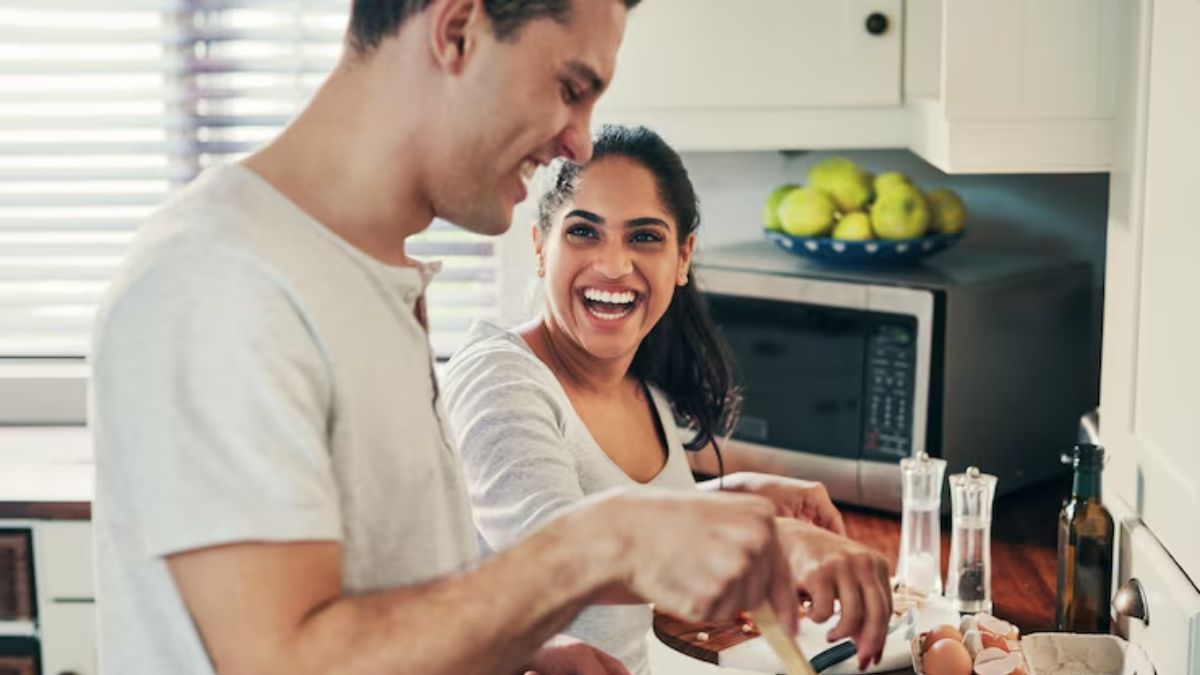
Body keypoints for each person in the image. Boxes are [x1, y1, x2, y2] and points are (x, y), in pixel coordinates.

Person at [89, 3, 806, 675]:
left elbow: (385, 595)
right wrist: (602, 538)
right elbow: (282, 658)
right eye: (569, 86)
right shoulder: (224, 280)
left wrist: (520, 650)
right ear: (458, 29)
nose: (578, 139)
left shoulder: (372, 278)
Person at [444, 125, 893, 674]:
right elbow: (555, 546)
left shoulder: (644, 386)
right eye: (584, 232)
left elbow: (630, 511)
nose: (612, 265)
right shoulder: (500, 375)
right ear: (541, 247)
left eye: (644, 237)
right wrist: (768, 539)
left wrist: (737, 494)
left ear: (683, 258)